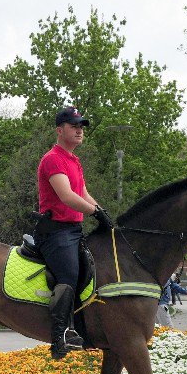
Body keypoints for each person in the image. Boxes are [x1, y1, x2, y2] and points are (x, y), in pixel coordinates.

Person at [35, 106, 113, 360]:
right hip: (55, 232)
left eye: (81, 127)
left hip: (73, 230)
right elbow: (67, 196)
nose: (79, 131)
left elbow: (83, 193)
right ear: (60, 130)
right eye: (74, 126)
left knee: (91, 270)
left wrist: (102, 212)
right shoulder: (53, 159)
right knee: (68, 274)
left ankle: (84, 328)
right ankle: (60, 336)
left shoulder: (74, 160)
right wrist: (94, 212)